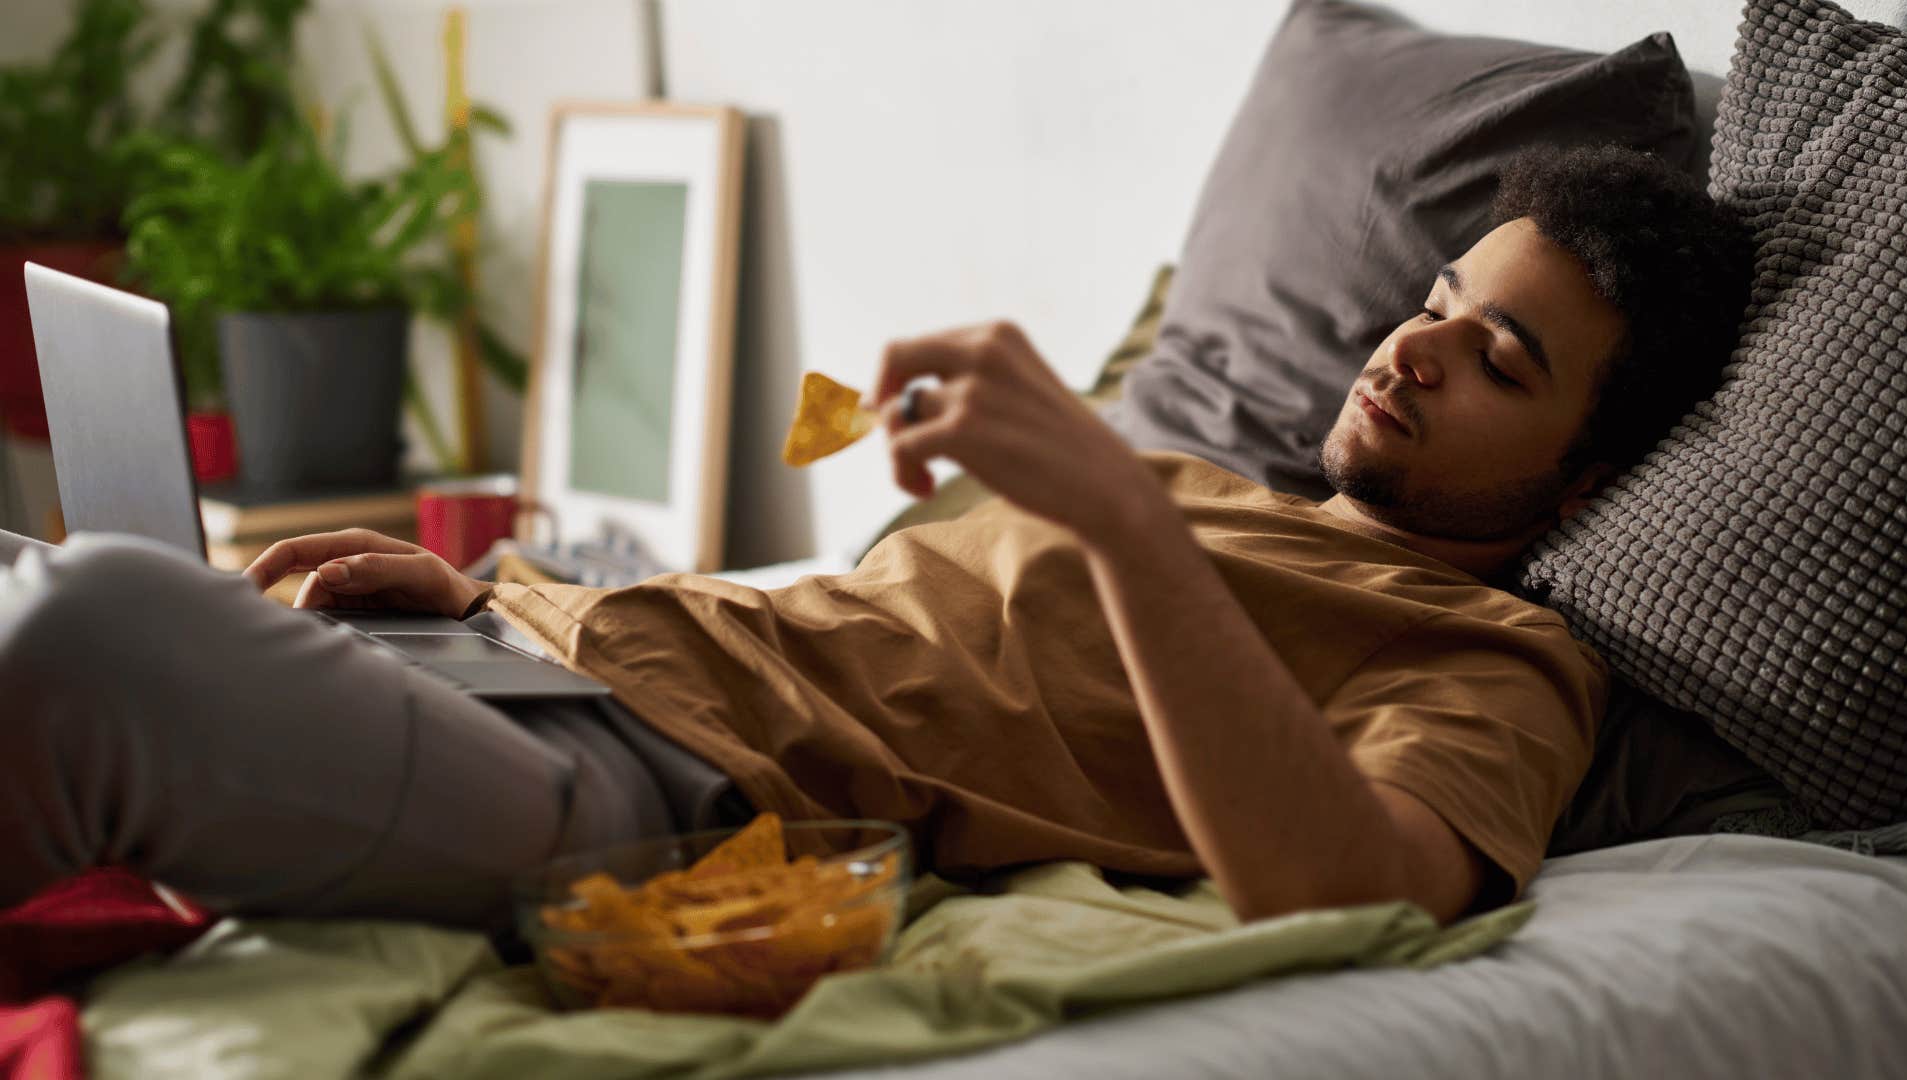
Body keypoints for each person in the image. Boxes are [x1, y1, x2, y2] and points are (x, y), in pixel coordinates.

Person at [0, 144, 1752, 932]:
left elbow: (1358, 887)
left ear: (1583, 485)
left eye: (1498, 362)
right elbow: (836, 620)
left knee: (84, 640)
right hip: (554, 660)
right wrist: (490, 599)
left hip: (683, 805)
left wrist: (1122, 520)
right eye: (1441, 301)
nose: (1414, 347)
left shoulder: (1507, 666)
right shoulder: (1217, 487)